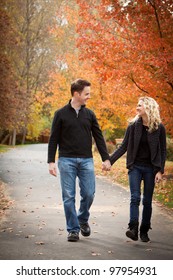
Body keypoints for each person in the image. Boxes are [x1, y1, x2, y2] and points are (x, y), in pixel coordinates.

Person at [48, 78, 111, 242]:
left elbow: (98, 137)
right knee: (68, 196)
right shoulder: (60, 114)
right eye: (86, 94)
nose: (89, 97)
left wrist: (106, 158)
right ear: (76, 94)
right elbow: (53, 139)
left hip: (86, 161)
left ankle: (82, 219)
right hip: (66, 160)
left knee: (89, 194)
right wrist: (51, 162)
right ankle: (73, 229)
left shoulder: (89, 114)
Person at [103, 96, 166, 242]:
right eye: (137, 105)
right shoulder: (133, 126)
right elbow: (123, 146)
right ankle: (133, 228)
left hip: (151, 168)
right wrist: (109, 161)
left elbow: (162, 151)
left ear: (148, 108)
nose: (137, 108)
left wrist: (160, 170)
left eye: (140, 106)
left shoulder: (159, 127)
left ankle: (144, 230)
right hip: (135, 166)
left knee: (147, 201)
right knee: (135, 197)